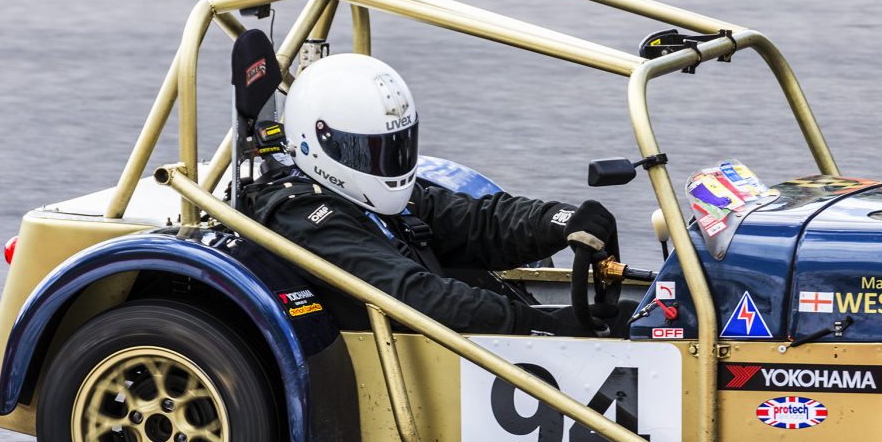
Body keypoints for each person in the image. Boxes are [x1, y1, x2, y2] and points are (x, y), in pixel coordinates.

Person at [242, 53, 631, 337]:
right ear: (316, 141)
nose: (387, 164)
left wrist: (559, 221)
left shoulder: (372, 194)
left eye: (396, 147)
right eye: (370, 152)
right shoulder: (304, 216)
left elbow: (476, 222)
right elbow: (414, 295)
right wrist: (540, 324)